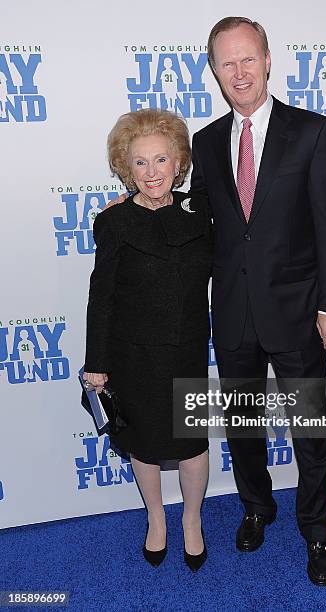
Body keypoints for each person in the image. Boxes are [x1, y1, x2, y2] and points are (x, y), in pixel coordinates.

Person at [189, 17, 326, 586]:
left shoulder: (311, 131)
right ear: (214, 71)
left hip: (300, 310)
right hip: (233, 309)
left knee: (310, 430)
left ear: (267, 59)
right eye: (226, 62)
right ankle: (256, 507)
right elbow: (198, 219)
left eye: (247, 58)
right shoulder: (205, 143)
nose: (239, 72)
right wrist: (134, 204)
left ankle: (317, 532)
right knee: (242, 426)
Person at [83, 108, 212, 571]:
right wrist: (95, 362)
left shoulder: (203, 211)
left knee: (194, 443)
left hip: (188, 349)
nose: (152, 172)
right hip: (133, 354)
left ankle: (192, 520)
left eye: (161, 160)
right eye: (140, 162)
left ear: (179, 163)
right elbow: (101, 298)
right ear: (125, 168)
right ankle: (156, 518)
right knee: (144, 443)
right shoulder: (114, 223)